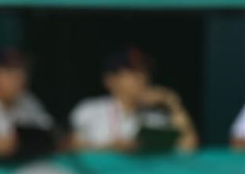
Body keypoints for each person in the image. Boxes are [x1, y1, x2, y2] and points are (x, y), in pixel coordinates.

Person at [70, 48, 198, 152]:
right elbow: (69, 149)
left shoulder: (155, 116)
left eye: (144, 72)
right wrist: (110, 149)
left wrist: (173, 103)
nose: (141, 78)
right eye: (132, 72)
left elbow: (188, 148)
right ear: (110, 80)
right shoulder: (90, 109)